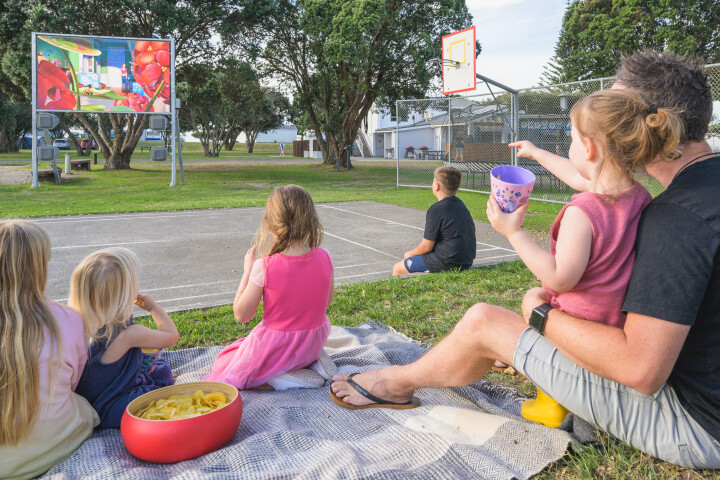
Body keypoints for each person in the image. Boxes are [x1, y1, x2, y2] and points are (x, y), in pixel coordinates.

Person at [330, 50, 720, 469]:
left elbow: (640, 369)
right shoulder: (679, 193)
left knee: (485, 320)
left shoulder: (679, 217)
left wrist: (539, 315)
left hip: (695, 426)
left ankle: (395, 383)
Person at [491, 89, 678, 425]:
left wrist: (513, 233)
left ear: (589, 147)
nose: (570, 146)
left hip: (579, 327)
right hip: (614, 320)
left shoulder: (583, 211)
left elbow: (560, 277)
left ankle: (551, 402)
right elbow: (578, 175)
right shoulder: (638, 195)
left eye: (571, 138)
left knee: (538, 306)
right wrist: (536, 153)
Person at [206, 185, 336, 390]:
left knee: (226, 363)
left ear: (270, 224)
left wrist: (247, 272)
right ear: (311, 219)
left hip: (279, 348)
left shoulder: (264, 266)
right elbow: (326, 302)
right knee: (244, 349)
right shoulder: (326, 257)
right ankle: (313, 361)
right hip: (312, 342)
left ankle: (281, 378)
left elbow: (241, 315)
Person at [0, 220, 99, 479]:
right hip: (56, 445)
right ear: (39, 268)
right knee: (82, 404)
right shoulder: (70, 319)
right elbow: (74, 382)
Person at [72, 247, 178, 428]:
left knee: (159, 368)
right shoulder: (130, 333)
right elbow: (170, 336)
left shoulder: (80, 324)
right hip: (115, 405)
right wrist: (153, 308)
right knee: (163, 372)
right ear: (126, 293)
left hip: (87, 401)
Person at [392, 166, 476, 276]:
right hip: (466, 261)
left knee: (397, 268)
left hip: (447, 262)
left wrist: (410, 254)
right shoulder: (460, 204)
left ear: (436, 186)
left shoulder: (436, 210)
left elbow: (426, 247)